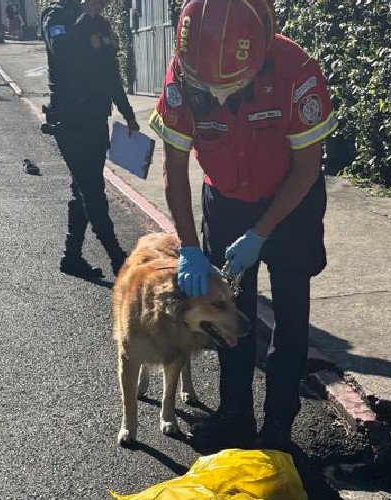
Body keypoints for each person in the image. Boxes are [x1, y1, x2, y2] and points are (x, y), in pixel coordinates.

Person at [148, 0, 337, 450]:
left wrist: (261, 233)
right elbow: (174, 169)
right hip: (226, 201)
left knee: (290, 318)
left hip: (291, 204)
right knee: (228, 315)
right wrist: (189, 247)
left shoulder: (296, 72)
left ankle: (278, 425)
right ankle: (235, 414)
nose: (215, 97)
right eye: (206, 87)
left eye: (229, 86)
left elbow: (307, 167)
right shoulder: (184, 71)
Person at [42, 0, 140, 279]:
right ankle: (118, 259)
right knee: (93, 190)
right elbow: (62, 51)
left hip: (96, 119)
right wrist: (84, 19)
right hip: (70, 121)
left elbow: (111, 73)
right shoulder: (56, 16)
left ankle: (72, 256)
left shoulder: (100, 24)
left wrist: (127, 112)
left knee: (83, 189)